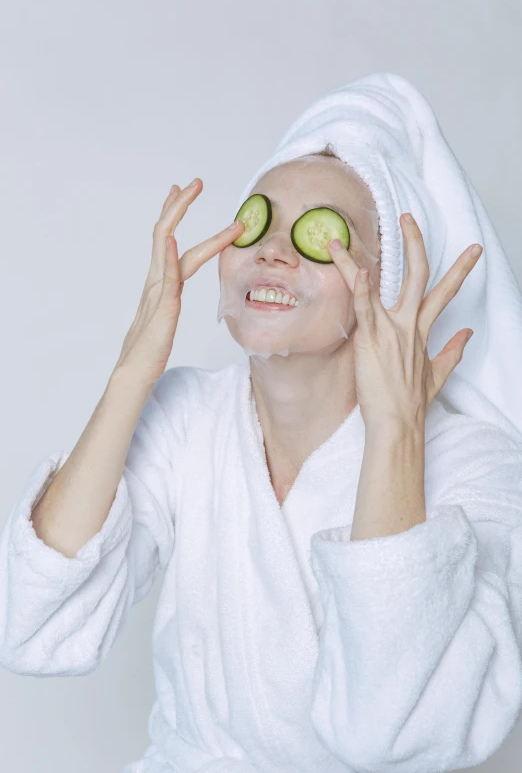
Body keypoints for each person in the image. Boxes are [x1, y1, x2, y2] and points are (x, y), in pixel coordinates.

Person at [1, 73, 522, 773]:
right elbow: (33, 624)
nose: (273, 249)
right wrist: (131, 376)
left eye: (320, 235)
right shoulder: (190, 417)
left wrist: (396, 434)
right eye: (257, 219)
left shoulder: (476, 465)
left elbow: (394, 731)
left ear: (389, 281)